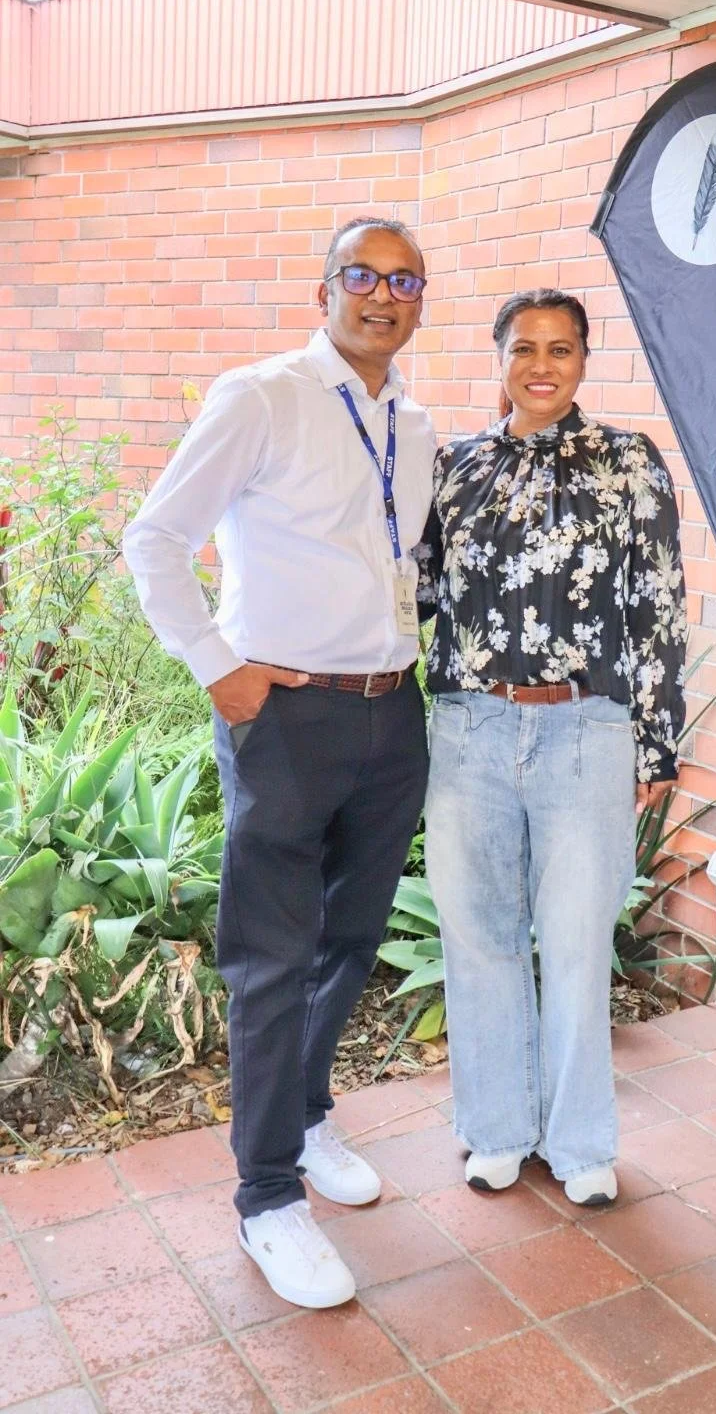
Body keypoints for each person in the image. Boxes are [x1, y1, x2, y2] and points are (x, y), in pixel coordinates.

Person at [124, 217, 435, 1308]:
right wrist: (218, 667)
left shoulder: (416, 418)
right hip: (286, 717)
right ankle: (266, 1197)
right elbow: (154, 539)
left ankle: (303, 1120)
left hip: (391, 718)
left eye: (405, 280)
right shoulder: (260, 396)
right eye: (364, 274)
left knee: (349, 938)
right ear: (325, 289)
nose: (382, 294)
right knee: (269, 954)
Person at [416, 288, 687, 1207]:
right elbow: (410, 597)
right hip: (469, 728)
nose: (542, 364)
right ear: (498, 357)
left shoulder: (628, 463)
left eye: (561, 349)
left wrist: (656, 744)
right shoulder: (450, 469)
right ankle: (494, 1131)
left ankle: (578, 1142)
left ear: (582, 361)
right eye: (524, 347)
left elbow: (656, 607)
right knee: (480, 936)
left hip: (586, 731)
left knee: (575, 943)